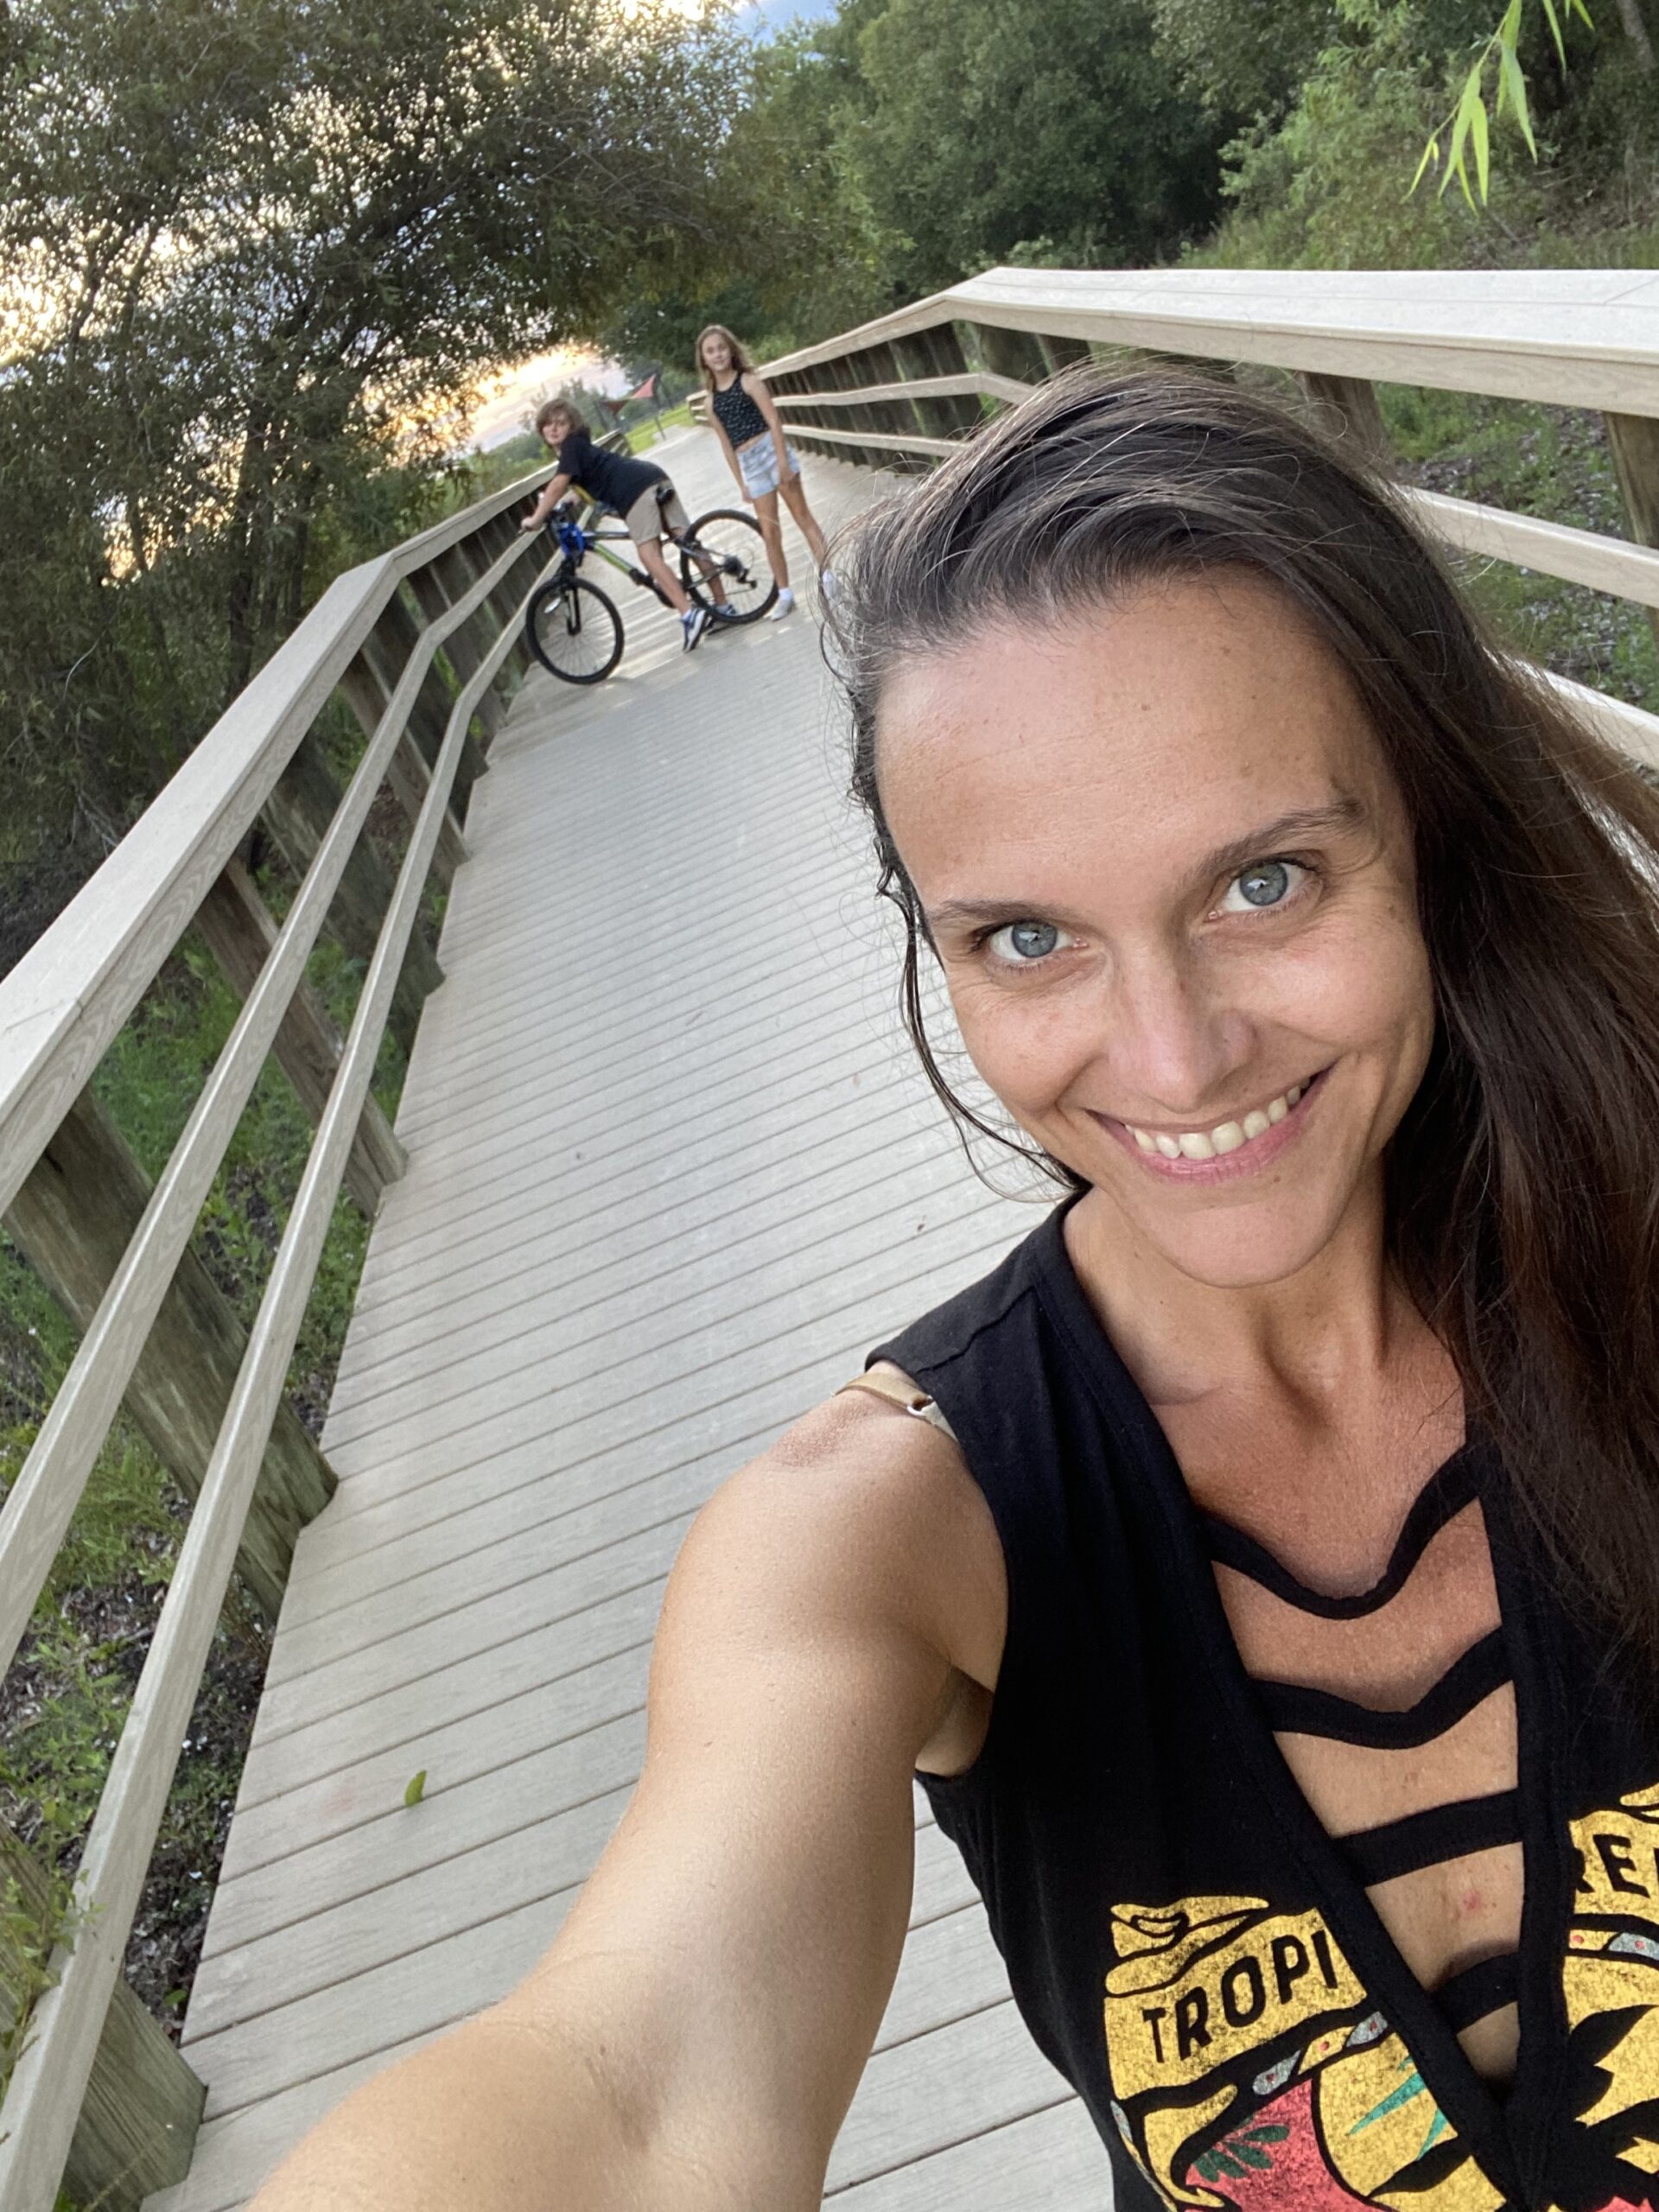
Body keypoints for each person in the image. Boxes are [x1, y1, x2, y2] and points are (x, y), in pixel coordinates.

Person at [252, 367, 1659, 2212]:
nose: (1170, 1052)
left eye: (1263, 878)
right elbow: (635, 2087)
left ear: (1433, 831)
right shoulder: (884, 1531)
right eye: (1025, 935)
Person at [519, 396, 728, 652]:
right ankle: (723, 606)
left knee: (648, 554)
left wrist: (536, 517)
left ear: (571, 427)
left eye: (561, 423)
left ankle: (689, 615)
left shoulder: (571, 448)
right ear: (541, 429)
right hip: (652, 476)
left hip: (635, 491)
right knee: (686, 541)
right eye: (548, 424)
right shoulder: (579, 448)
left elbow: (558, 484)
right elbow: (588, 481)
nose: (553, 429)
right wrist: (572, 501)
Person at [696, 323, 830, 620]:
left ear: (731, 350)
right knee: (770, 532)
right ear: (704, 360)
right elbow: (726, 444)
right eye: (711, 351)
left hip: (771, 451)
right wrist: (741, 483)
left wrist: (783, 461)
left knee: (802, 516)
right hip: (750, 465)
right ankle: (784, 594)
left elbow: (773, 420)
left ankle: (829, 578)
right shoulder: (711, 402)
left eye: (721, 348)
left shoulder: (748, 382)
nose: (718, 355)